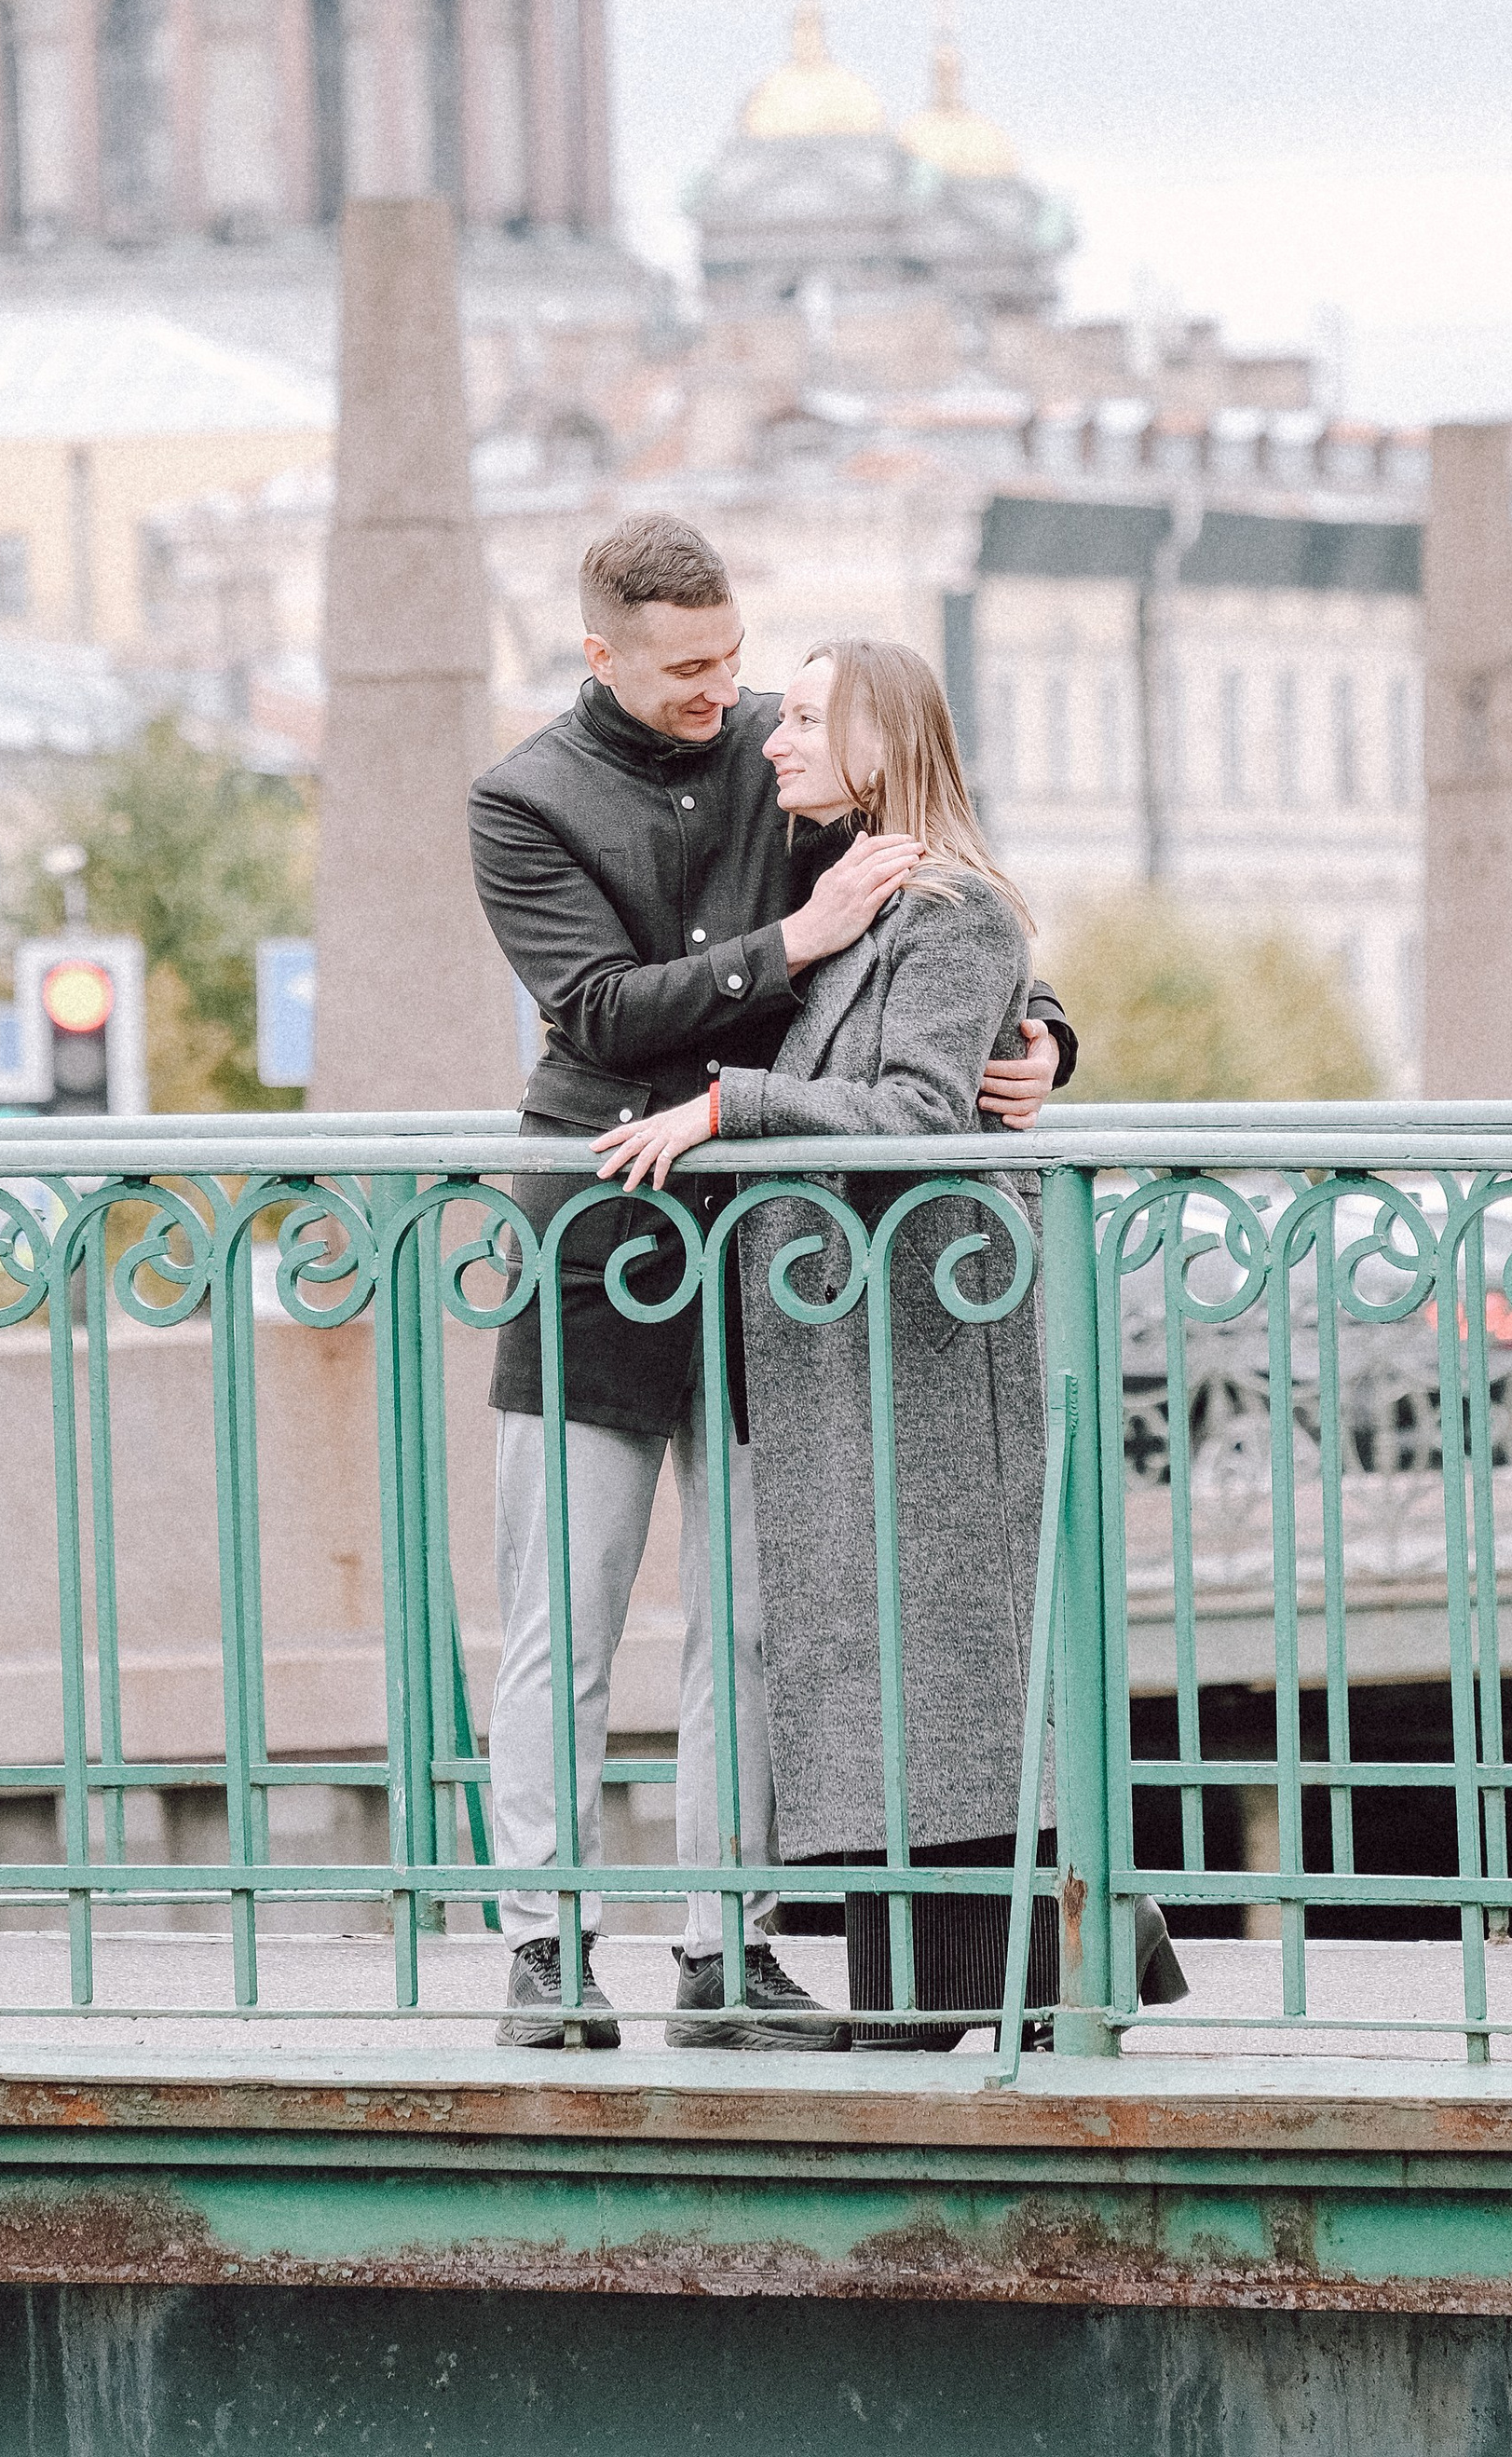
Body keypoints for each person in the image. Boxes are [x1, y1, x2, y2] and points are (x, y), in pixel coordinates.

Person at [467, 517, 1076, 2051]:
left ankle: (723, 1952)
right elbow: (598, 1012)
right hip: (599, 1235)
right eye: (687, 670)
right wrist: (791, 942)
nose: (722, 693)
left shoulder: (780, 750)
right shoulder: (521, 800)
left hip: (767, 1263)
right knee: (569, 1615)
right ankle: (544, 1953)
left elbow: (938, 893)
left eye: (735, 661)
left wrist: (1049, 1037)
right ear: (600, 651)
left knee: (746, 1623)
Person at [599, 637, 1183, 2044]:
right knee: (892, 1670)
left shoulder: (950, 910)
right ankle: (998, 1977)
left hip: (922, 1347)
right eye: (777, 716)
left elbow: (923, 1107)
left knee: (946, 1669)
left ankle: (988, 1982)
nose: (773, 742)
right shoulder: (850, 893)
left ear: (881, 741)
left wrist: (737, 1109)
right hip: (847, 1353)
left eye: (804, 719)